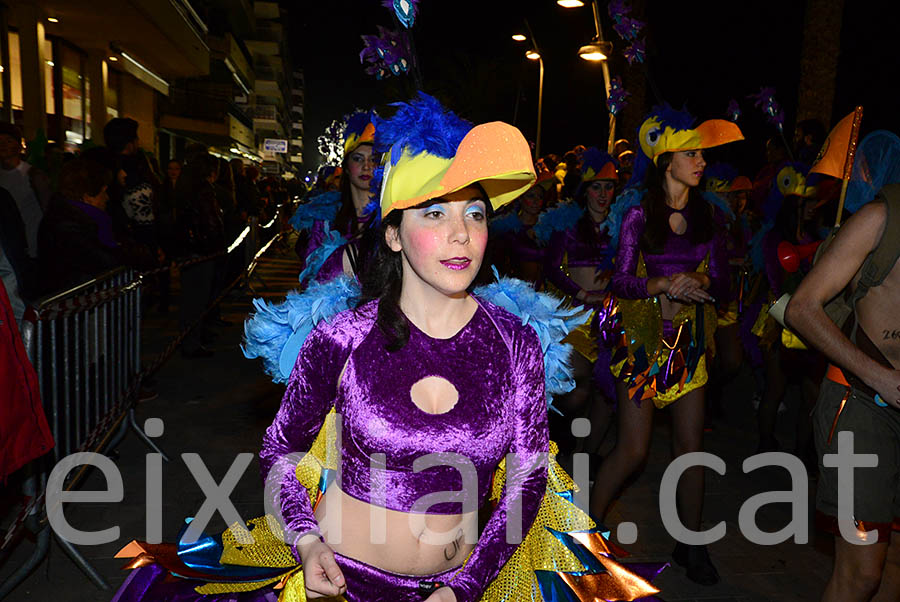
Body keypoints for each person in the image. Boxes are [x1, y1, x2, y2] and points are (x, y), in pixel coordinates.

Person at [113, 93, 666, 602]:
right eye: (434, 213)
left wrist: (466, 586)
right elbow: (282, 454)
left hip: (463, 587)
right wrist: (306, 543)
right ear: (394, 234)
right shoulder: (342, 338)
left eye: (474, 213)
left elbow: (528, 475)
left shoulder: (514, 341)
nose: (460, 234)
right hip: (340, 585)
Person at [590, 104, 742, 586]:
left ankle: (691, 545)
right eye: (691, 153)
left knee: (690, 448)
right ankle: (585, 535)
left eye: (701, 154)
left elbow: (722, 285)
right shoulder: (638, 214)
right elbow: (620, 281)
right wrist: (661, 284)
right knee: (633, 450)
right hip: (643, 346)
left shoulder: (709, 218)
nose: (701, 161)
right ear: (665, 161)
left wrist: (697, 278)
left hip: (691, 347)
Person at [786, 189, 900, 602]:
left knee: (894, 570)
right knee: (860, 575)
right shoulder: (879, 218)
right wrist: (881, 377)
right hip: (862, 403)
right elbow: (802, 308)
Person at [541, 148, 620, 457]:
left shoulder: (624, 226)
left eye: (609, 186)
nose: (602, 194)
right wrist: (582, 294)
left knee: (607, 393)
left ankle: (587, 457)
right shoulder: (568, 225)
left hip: (611, 319)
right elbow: (551, 268)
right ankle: (561, 438)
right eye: (596, 187)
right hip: (576, 316)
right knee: (577, 387)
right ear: (585, 190)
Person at [289, 110, 377, 285]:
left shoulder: (391, 216)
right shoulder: (325, 218)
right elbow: (310, 279)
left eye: (373, 159)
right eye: (358, 159)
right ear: (346, 167)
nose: (366, 166)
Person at [0, 122, 50, 263]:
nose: (3, 145)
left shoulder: (33, 174)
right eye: (0, 141)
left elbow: (47, 208)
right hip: (8, 245)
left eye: (8, 141)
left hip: (32, 244)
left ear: (18, 145)